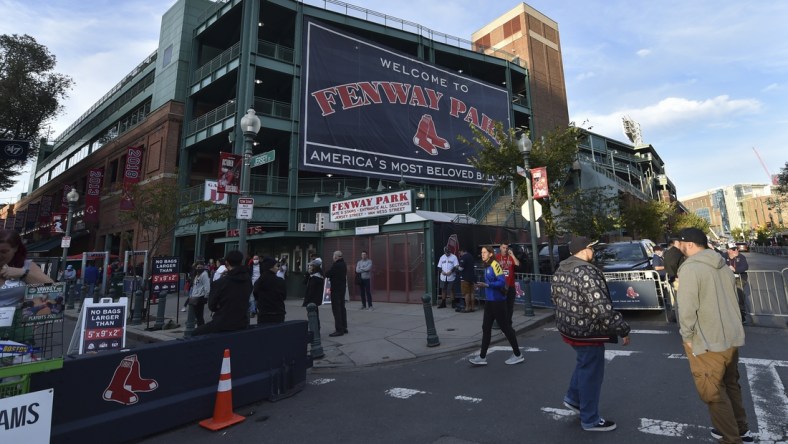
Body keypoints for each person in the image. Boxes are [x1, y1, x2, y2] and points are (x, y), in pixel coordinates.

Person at [674, 228, 751, 443]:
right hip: (731, 337)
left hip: (708, 339)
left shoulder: (691, 268)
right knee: (731, 385)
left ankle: (730, 437)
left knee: (714, 393)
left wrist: (687, 336)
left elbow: (687, 307)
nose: (678, 248)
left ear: (688, 244)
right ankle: (740, 429)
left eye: (680, 244)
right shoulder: (722, 265)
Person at [550, 236, 630, 432]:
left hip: (569, 328)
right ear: (583, 250)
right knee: (591, 373)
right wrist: (622, 329)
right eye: (591, 249)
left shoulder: (562, 268)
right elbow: (601, 307)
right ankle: (590, 419)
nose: (593, 252)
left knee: (584, 363)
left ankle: (573, 398)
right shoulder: (586, 271)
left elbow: (554, 296)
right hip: (588, 330)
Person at [468, 245, 524, 366]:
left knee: (506, 328)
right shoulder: (487, 266)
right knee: (486, 328)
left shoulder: (495, 265)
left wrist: (487, 285)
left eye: (484, 252)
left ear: (491, 254)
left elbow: (502, 282)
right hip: (490, 302)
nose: (482, 254)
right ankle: (482, 357)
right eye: (481, 252)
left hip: (498, 302)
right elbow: (490, 283)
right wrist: (481, 285)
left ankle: (518, 354)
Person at [0, 230, 55, 344]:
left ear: (15, 248)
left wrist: (23, 273)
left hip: (16, 327)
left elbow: (53, 288)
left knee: (16, 360)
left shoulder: (26, 265)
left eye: (4, 251)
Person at [193, 250, 251, 336]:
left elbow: (212, 305)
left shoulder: (221, 282)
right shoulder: (248, 280)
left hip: (223, 322)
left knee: (195, 333)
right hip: (242, 321)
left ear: (226, 263)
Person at [253, 257, 287, 324]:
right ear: (270, 267)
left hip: (263, 313)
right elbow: (284, 296)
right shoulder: (280, 281)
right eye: (276, 266)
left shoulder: (259, 282)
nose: (277, 268)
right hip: (278, 312)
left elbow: (256, 295)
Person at [723, 243, 750, 324]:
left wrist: (735, 269)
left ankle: (742, 314)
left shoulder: (741, 257)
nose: (736, 250)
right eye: (733, 249)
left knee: (738, 293)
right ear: (728, 250)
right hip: (727, 279)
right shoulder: (723, 256)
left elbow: (745, 267)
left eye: (736, 248)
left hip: (740, 278)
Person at [325, 250, 348, 337]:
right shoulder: (344, 264)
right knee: (342, 307)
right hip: (342, 289)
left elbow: (328, 274)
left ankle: (339, 329)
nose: (333, 257)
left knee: (336, 309)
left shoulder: (336, 265)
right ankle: (344, 327)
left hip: (336, 289)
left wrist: (327, 272)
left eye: (334, 256)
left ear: (336, 257)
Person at [495, 243, 519, 323]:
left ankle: (508, 323)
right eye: (503, 247)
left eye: (506, 248)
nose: (505, 249)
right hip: (501, 286)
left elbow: (517, 264)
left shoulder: (510, 257)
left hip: (510, 285)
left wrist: (512, 255)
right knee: (502, 306)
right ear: (500, 248)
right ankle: (502, 322)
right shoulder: (497, 257)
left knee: (510, 306)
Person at [302, 259, 325, 331]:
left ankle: (315, 328)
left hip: (313, 299)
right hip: (314, 299)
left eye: (311, 265)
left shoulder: (316, 277)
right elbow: (304, 282)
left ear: (314, 267)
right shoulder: (312, 276)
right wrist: (308, 274)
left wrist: (307, 300)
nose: (309, 266)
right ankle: (315, 327)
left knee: (313, 314)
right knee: (313, 314)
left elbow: (311, 290)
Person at [188, 261, 211, 326]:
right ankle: (200, 326)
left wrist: (206, 296)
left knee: (199, 315)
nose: (199, 268)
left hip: (200, 296)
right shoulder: (197, 274)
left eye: (201, 267)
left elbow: (207, 286)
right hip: (195, 296)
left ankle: (201, 327)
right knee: (197, 315)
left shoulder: (204, 274)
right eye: (198, 267)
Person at [457, 247, 476, 312]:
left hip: (465, 278)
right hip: (472, 277)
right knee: (472, 293)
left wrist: (457, 267)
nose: (460, 254)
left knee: (466, 293)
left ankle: (467, 308)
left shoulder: (463, 257)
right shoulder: (471, 256)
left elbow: (461, 268)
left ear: (462, 251)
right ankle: (473, 307)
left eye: (460, 252)